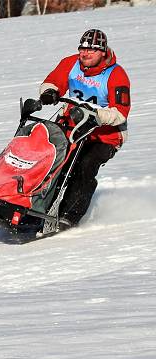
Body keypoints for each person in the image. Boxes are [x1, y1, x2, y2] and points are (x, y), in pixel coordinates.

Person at [38, 29, 131, 226]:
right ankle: (35, 208)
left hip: (105, 136)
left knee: (84, 166)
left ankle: (68, 216)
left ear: (103, 53)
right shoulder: (71, 63)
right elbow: (53, 81)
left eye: (92, 50)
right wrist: (49, 92)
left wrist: (97, 116)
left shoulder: (116, 74)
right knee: (50, 162)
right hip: (72, 127)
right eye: (82, 49)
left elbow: (121, 111)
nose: (85, 54)